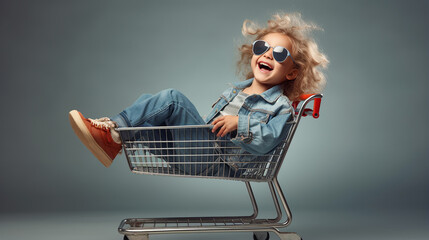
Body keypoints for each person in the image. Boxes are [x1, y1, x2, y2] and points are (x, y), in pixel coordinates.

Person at [69, 12, 328, 176]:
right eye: (263, 47)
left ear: (292, 73)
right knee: (149, 112)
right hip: (195, 152)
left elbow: (269, 140)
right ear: (254, 53)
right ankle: (114, 138)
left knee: (172, 99)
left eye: (280, 54)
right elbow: (208, 127)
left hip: (217, 161)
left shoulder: (280, 106)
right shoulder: (235, 91)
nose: (268, 54)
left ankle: (113, 132)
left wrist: (241, 123)